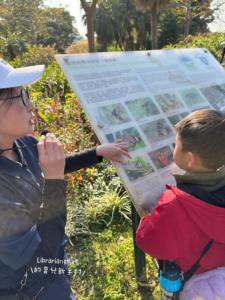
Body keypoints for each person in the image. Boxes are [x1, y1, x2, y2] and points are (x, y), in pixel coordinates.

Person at [0, 58, 130, 300]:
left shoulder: (21, 143)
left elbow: (52, 164)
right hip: (28, 288)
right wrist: (55, 184)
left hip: (53, 272)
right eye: (21, 96)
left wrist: (97, 153)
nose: (31, 106)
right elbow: (44, 252)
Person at [136, 109, 225, 299]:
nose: (173, 147)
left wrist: (145, 221)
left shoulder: (174, 204)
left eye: (176, 144)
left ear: (190, 159)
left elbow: (150, 243)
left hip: (195, 285)